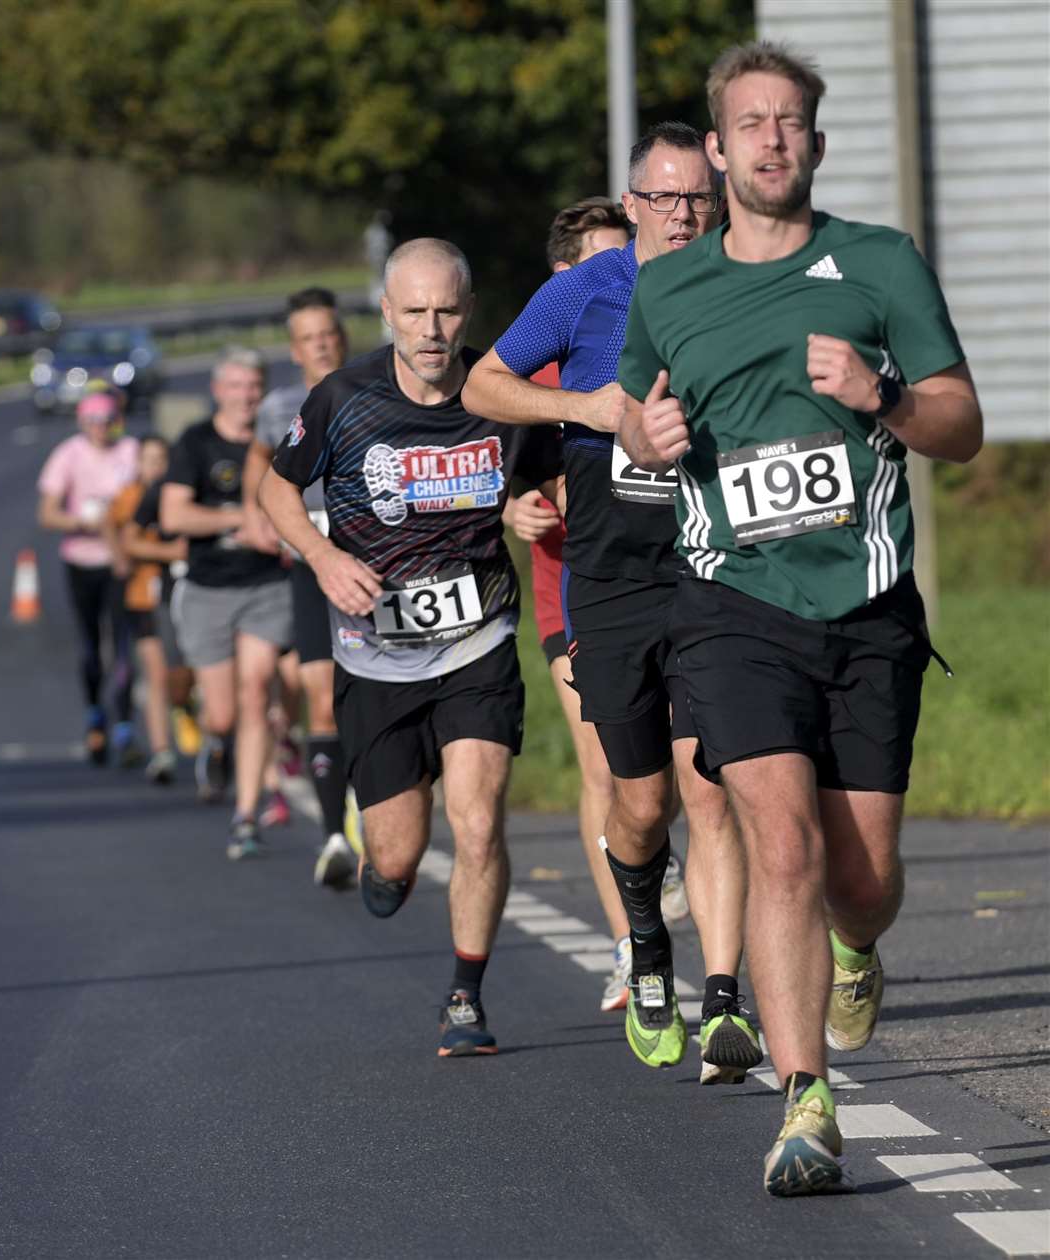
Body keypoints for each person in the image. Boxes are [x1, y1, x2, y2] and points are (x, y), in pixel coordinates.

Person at [618, 41, 982, 1195]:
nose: (773, 139)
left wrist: (882, 396)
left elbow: (961, 423)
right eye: (752, 122)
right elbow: (635, 414)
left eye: (792, 123)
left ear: (814, 145)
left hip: (866, 601)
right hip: (731, 601)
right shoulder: (668, 285)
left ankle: (856, 945)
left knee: (860, 875)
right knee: (781, 843)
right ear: (717, 148)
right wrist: (647, 440)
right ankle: (805, 1102)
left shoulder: (878, 263)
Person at [463, 124, 758, 1084]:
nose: (682, 214)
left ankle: (723, 1000)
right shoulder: (584, 291)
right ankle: (645, 941)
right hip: (613, 581)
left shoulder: (745, 279)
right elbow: (484, 385)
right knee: (641, 803)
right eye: (663, 198)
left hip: (715, 572)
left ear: (718, 200)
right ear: (631, 204)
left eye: (697, 199)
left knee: (712, 788)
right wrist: (588, 410)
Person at [259, 238, 561, 1056]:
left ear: (469, 314)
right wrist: (322, 559)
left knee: (479, 820)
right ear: (387, 312)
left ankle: (466, 995)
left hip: (478, 639)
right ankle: (381, 860)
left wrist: (528, 508)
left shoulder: (500, 396)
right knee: (395, 857)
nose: (432, 329)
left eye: (447, 311)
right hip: (373, 656)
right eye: (415, 311)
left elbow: (546, 479)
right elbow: (274, 488)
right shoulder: (342, 398)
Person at [501, 195, 638, 1012]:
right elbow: (496, 473)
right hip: (571, 593)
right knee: (600, 765)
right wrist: (510, 509)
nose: (624, 273)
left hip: (667, 585)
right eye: (604, 262)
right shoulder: (533, 367)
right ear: (565, 277)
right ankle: (630, 942)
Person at [240, 287, 360, 886]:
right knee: (321, 693)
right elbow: (259, 465)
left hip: (370, 555)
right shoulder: (281, 404)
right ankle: (336, 834)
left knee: (374, 691)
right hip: (312, 562)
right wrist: (258, 516)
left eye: (330, 334)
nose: (323, 344)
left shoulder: (373, 384)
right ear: (295, 349)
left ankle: (376, 799)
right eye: (311, 338)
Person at [160, 347, 294, 859]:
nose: (245, 396)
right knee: (220, 713)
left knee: (257, 689)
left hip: (266, 587)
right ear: (218, 391)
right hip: (209, 588)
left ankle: (245, 813)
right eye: (235, 386)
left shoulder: (279, 443)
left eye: (254, 386)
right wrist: (240, 522)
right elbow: (175, 516)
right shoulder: (195, 443)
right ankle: (217, 743)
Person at [36, 390, 139, 764]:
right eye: (93, 421)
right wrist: (83, 521)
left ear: (117, 421)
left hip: (120, 563)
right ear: (82, 423)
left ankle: (126, 723)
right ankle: (96, 711)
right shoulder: (68, 454)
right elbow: (47, 515)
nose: (101, 428)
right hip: (81, 560)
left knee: (123, 644)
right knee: (92, 645)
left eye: (107, 421)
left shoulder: (130, 451)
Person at [106, 433, 188, 783]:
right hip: (143, 596)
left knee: (182, 676)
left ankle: (189, 711)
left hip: (185, 595)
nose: (155, 466)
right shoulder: (129, 497)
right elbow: (117, 533)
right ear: (138, 463)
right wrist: (124, 558)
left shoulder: (179, 495)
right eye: (149, 460)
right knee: (155, 674)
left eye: (161, 460)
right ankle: (162, 752)